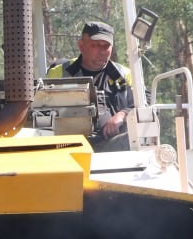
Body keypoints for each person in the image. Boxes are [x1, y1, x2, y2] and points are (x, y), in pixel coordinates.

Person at [46, 20, 135, 150]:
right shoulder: (60, 73)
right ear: (81, 45)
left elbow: (142, 105)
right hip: (67, 146)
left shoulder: (122, 75)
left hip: (110, 145)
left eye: (106, 46)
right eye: (96, 45)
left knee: (130, 141)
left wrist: (121, 115)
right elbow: (44, 111)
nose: (102, 51)